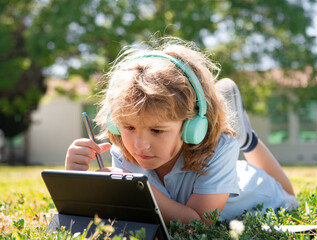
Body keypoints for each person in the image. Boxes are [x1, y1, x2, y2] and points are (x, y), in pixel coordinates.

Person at [65, 38, 298, 225]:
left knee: (289, 195)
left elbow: (199, 222)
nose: (139, 145)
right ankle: (243, 135)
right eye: (129, 127)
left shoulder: (220, 151)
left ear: (192, 127)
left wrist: (134, 188)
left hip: (257, 188)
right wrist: (76, 179)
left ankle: (246, 140)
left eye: (156, 130)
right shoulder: (123, 152)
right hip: (225, 179)